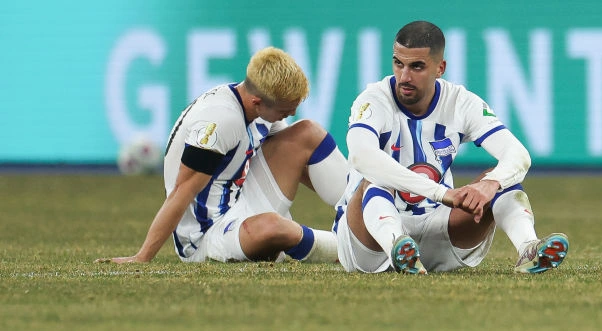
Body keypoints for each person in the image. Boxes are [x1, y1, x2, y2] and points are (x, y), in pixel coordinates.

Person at [334, 20, 569, 275]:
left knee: (502, 177)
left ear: (440, 68)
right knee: (374, 180)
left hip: (438, 231)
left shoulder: (461, 102)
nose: (404, 76)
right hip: (369, 242)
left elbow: (518, 155)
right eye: (398, 63)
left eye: (417, 67)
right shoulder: (373, 100)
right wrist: (440, 193)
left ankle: (528, 248)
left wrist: (489, 185)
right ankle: (397, 245)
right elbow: (361, 155)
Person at [97, 47, 349, 264]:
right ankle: (351, 251)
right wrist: (142, 256)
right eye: (285, 110)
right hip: (208, 233)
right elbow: (181, 191)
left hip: (239, 197)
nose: (291, 112)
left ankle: (364, 214)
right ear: (256, 101)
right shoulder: (221, 121)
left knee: (308, 132)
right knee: (273, 227)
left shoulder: (258, 109)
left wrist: (346, 203)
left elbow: (300, 161)